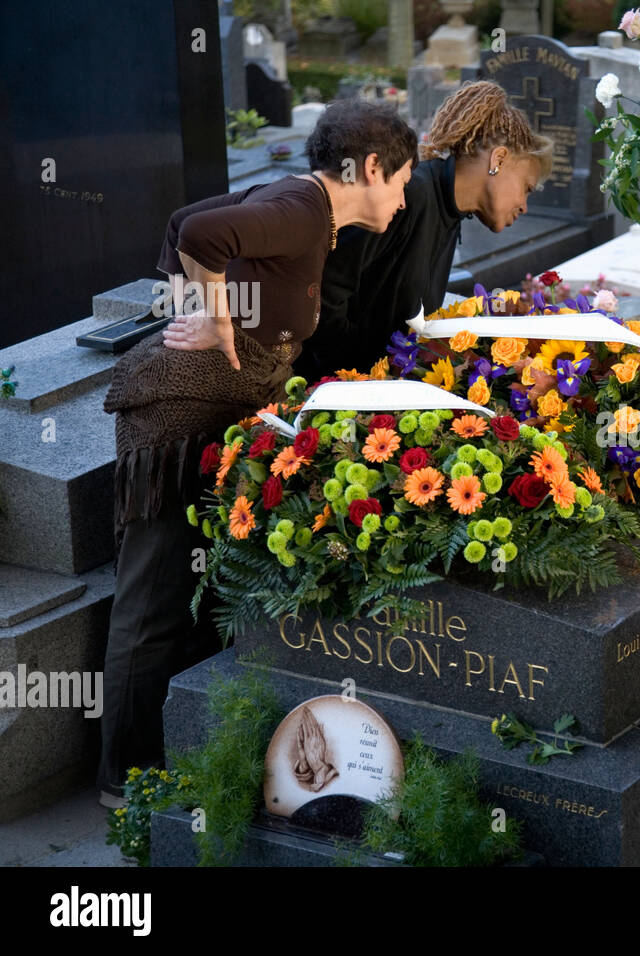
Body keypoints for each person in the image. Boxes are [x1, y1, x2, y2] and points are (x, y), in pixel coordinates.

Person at [96, 100, 418, 808]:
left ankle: (152, 763)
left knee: (173, 598)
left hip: (201, 414)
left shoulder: (302, 206)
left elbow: (184, 224)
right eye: (400, 181)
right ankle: (125, 782)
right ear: (368, 168)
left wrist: (207, 304)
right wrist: (212, 313)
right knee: (150, 602)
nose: (402, 198)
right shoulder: (304, 210)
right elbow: (202, 233)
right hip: (172, 423)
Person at [298, 81, 554, 382]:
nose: (524, 205)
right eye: (526, 188)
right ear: (497, 159)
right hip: (328, 385)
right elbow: (322, 288)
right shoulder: (409, 195)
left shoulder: (448, 211)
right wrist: (355, 370)